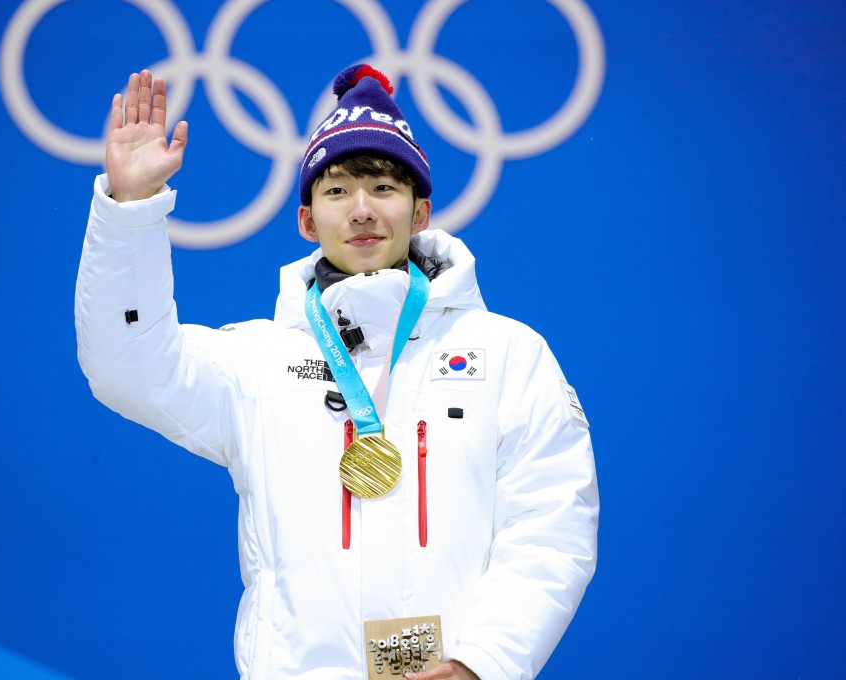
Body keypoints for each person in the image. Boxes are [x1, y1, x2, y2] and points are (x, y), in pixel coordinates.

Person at [75, 66, 598, 680]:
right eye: (336, 191)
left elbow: (550, 527)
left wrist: (480, 662)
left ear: (420, 211)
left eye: (383, 186)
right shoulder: (256, 362)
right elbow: (126, 365)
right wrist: (131, 213)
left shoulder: (508, 354)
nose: (361, 210)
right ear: (306, 222)